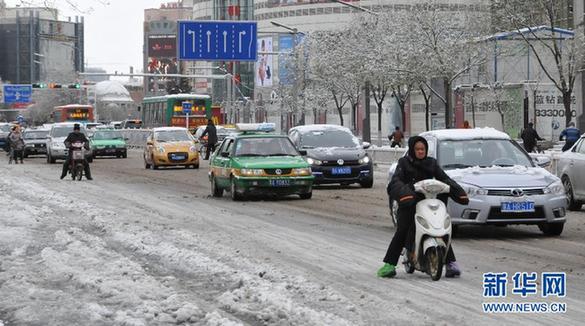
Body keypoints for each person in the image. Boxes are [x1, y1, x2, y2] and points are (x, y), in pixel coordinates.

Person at [378, 136, 469, 278]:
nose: (420, 151)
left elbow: (444, 179)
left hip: (428, 203)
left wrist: (458, 192)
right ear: (412, 150)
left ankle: (451, 263)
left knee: (439, 229)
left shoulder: (431, 163)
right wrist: (406, 193)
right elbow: (395, 182)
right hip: (409, 203)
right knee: (402, 231)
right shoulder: (403, 163)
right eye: (417, 149)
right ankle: (389, 264)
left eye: (423, 149)